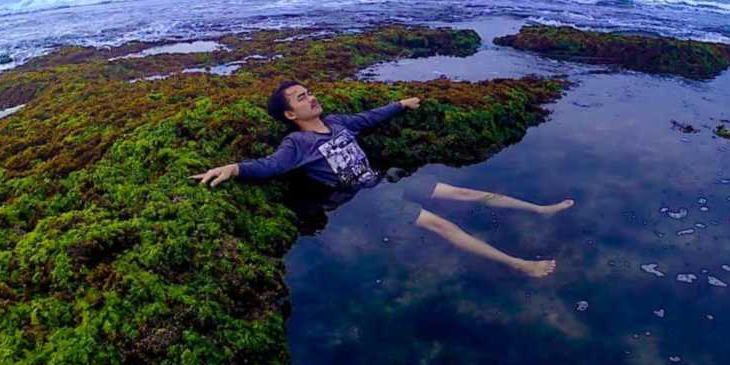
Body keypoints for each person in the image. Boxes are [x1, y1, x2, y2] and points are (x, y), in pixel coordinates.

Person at [190, 79, 574, 277]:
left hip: (385, 181)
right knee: (443, 226)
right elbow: (270, 165)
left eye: (309, 92)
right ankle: (519, 265)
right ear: (290, 114)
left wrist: (400, 105)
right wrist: (234, 168)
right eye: (301, 97)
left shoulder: (338, 123)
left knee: (472, 193)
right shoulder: (297, 142)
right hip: (366, 199)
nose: (310, 97)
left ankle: (540, 210)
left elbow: (370, 117)